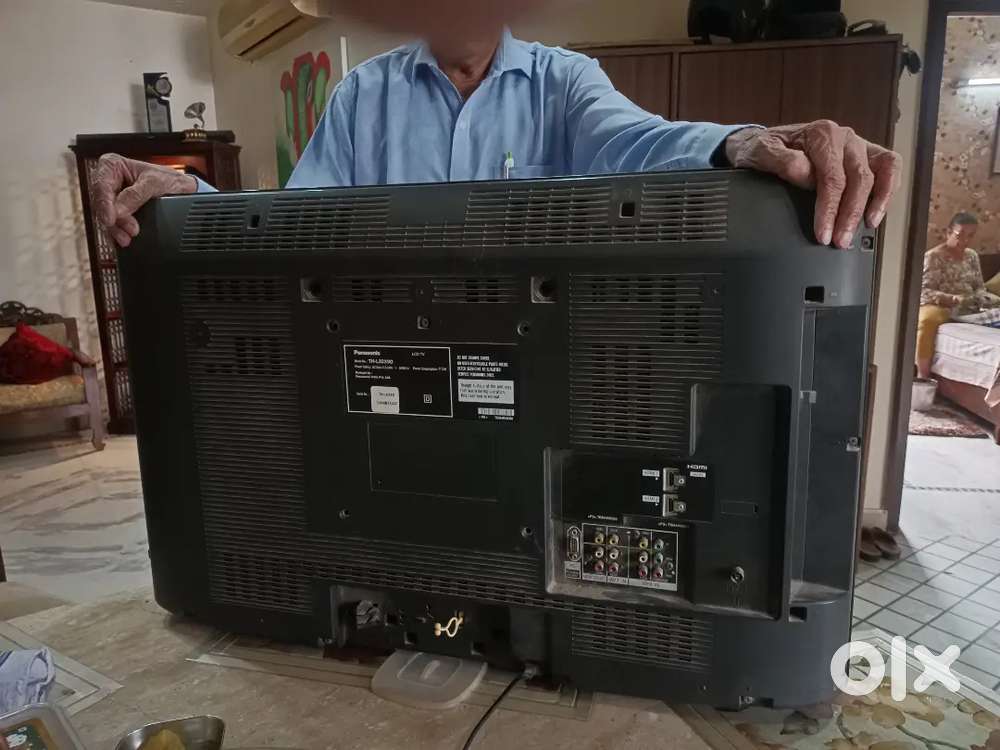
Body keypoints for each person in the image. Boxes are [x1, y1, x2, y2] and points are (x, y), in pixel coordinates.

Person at [93, 1, 900, 251]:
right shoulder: (362, 93)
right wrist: (191, 196)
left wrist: (742, 141)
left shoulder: (565, 80)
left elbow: (633, 140)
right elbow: (296, 225)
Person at [916, 212, 1000, 379]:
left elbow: (979, 287)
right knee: (926, 321)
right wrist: (951, 298)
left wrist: (986, 298)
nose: (965, 240)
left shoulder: (971, 256)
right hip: (941, 305)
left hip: (970, 305)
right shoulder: (933, 257)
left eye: (970, 236)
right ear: (948, 232)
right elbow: (923, 291)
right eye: (960, 235)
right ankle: (922, 375)